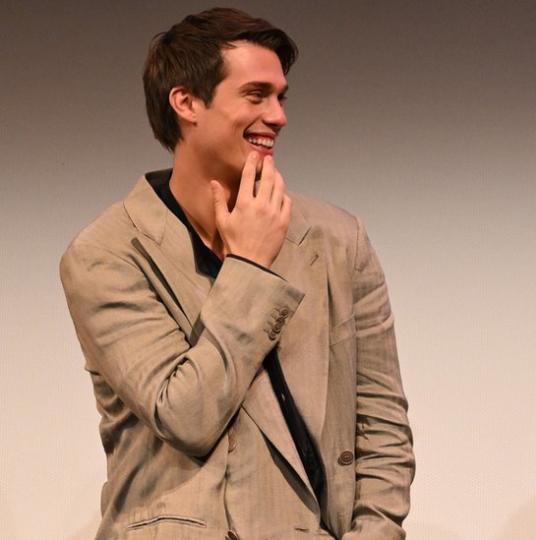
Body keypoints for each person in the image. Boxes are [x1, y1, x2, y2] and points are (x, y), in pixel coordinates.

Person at [60, 8, 413, 539]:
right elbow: (186, 415)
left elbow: (381, 423)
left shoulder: (339, 239)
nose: (278, 115)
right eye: (255, 95)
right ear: (187, 103)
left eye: (280, 96)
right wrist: (249, 266)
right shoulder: (107, 254)